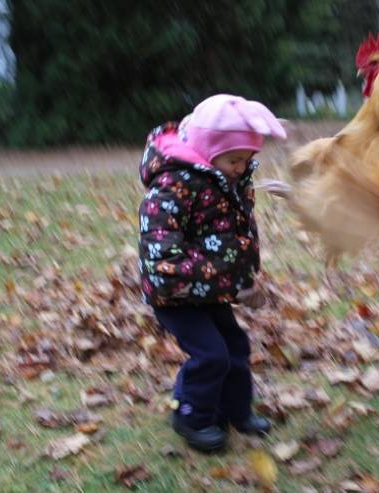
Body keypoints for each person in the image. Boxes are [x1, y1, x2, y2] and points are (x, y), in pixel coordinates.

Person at [137, 94, 286, 452]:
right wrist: (193, 280)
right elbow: (159, 247)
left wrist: (244, 281)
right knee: (210, 354)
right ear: (209, 150)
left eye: (247, 160)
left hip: (209, 289)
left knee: (235, 345)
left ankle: (235, 411)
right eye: (235, 159)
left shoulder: (226, 181)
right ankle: (191, 415)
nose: (241, 167)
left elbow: (235, 238)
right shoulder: (173, 184)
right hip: (174, 294)